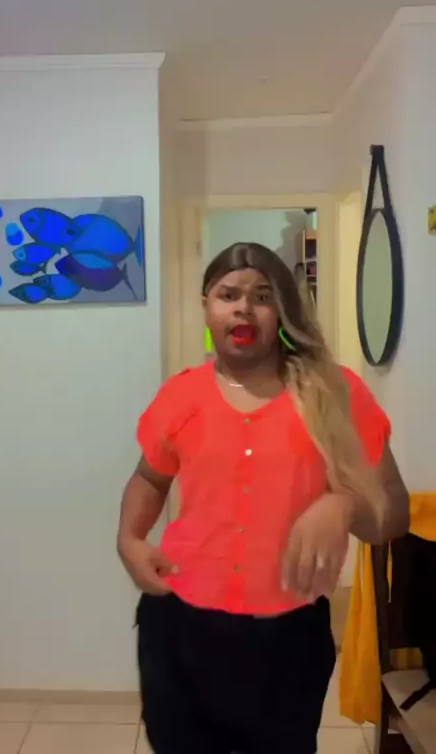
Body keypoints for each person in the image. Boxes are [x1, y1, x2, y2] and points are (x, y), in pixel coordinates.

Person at [117, 242, 409, 754]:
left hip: (287, 641)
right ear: (207, 306)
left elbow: (394, 514)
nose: (243, 309)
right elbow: (148, 479)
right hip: (179, 627)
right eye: (228, 295)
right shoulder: (181, 395)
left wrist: (343, 505)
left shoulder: (335, 394)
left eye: (262, 296)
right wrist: (129, 539)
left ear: (283, 311)